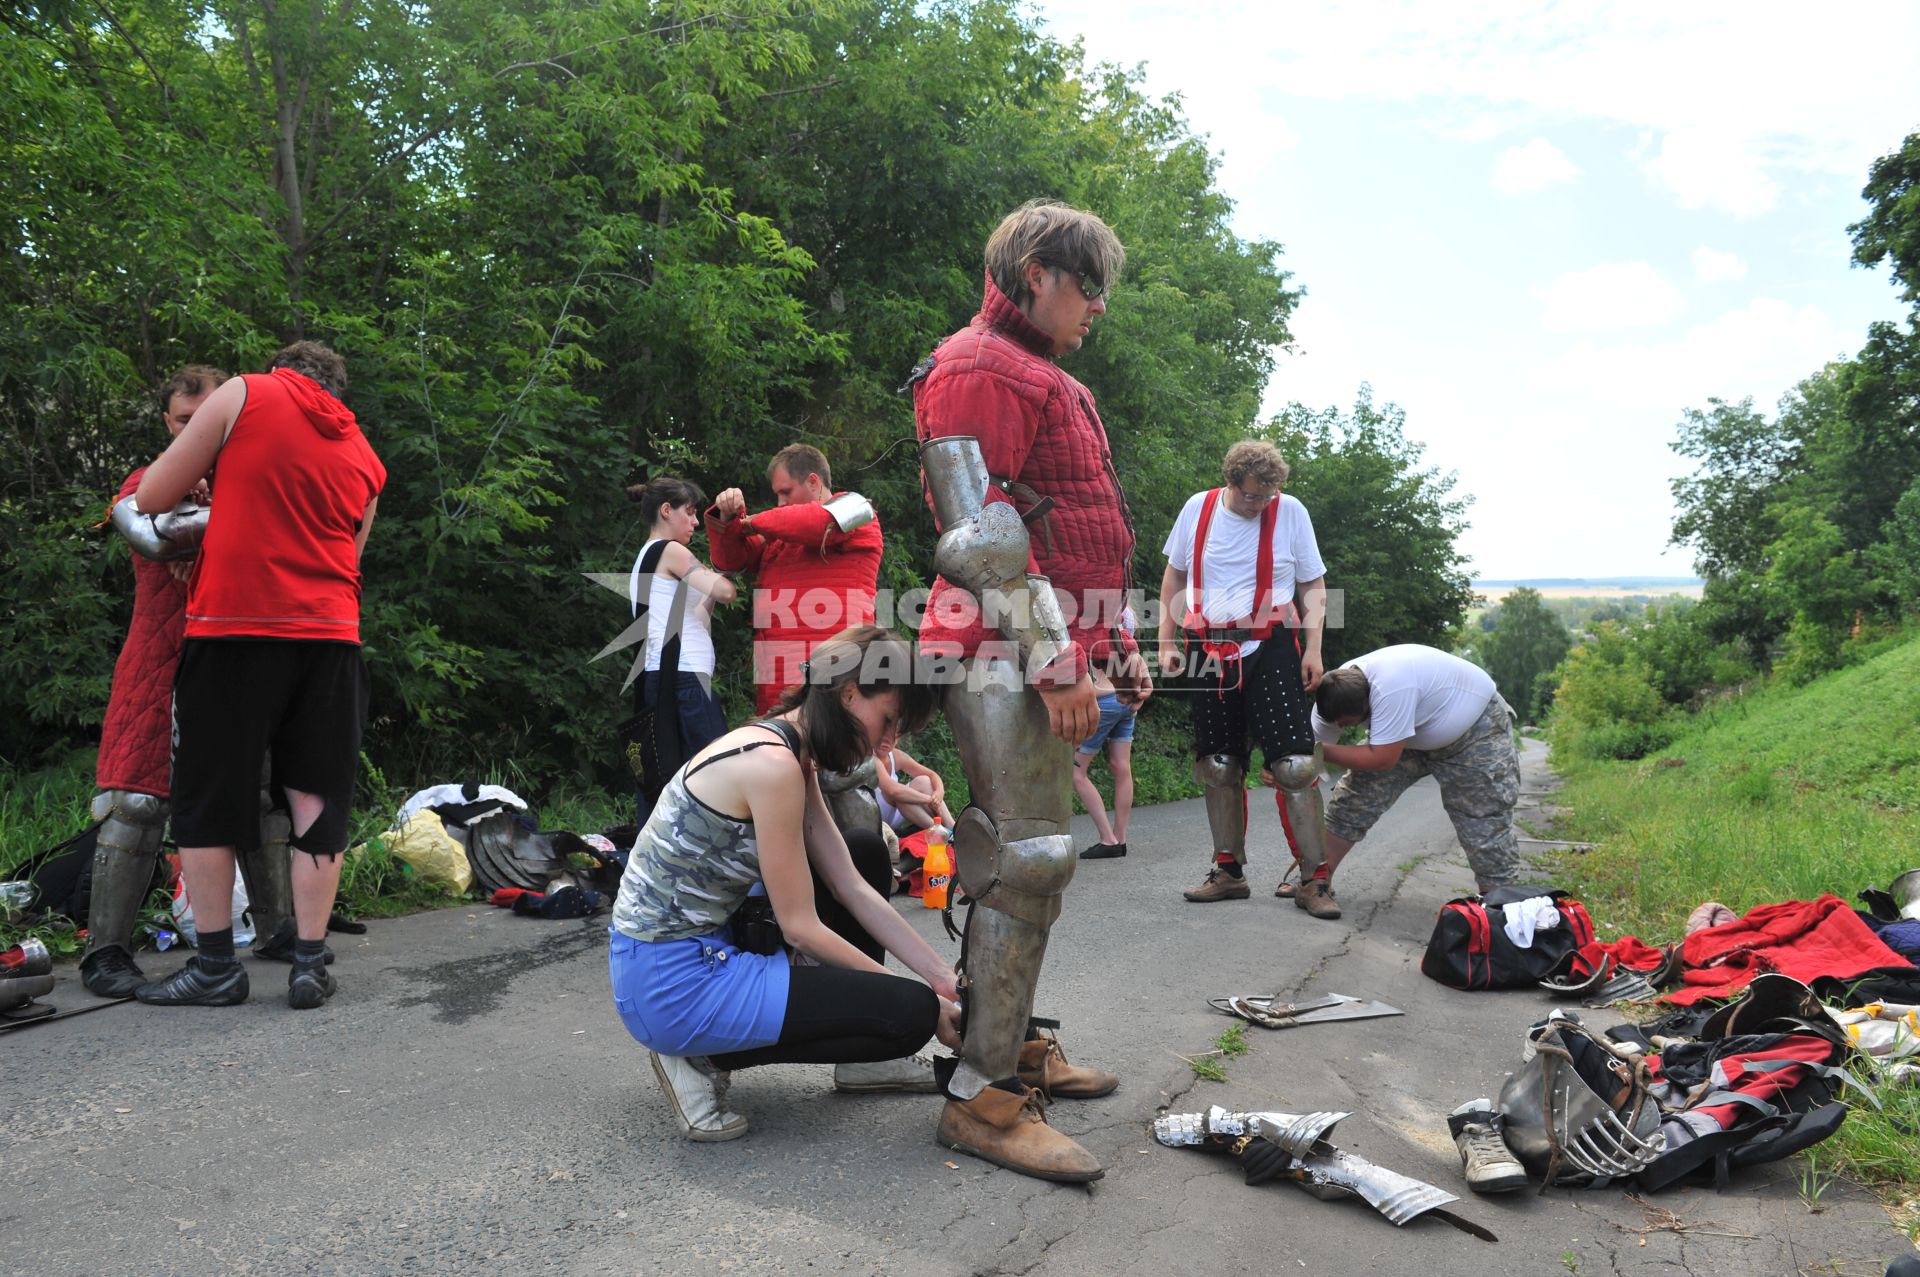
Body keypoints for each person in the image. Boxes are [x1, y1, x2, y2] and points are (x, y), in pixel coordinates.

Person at [910, 198, 1147, 1182]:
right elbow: (983, 532)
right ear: (1039, 272)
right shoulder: (980, 362)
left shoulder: (1040, 371)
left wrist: (1114, 640)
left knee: (1035, 863)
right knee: (1026, 855)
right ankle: (983, 1099)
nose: (1097, 305)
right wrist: (1057, 658)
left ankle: (1003, 1048)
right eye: (1088, 285)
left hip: (1048, 644)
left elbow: (1081, 524)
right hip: (1004, 649)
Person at [608, 626, 962, 1142]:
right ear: (847, 694)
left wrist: (941, 979)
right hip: (670, 982)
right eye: (888, 723)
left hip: (703, 950)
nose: (888, 746)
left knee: (864, 851)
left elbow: (849, 884)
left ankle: (861, 1060)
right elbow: (800, 927)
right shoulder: (771, 764)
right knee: (910, 1015)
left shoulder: (791, 748)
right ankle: (696, 1054)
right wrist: (926, 1002)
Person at [131, 341, 385, 1010]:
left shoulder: (245, 392)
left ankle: (216, 965)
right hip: (331, 636)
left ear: (283, 371)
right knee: (314, 800)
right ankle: (307, 963)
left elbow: (153, 494)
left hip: (236, 627)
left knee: (209, 794)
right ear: (334, 388)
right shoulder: (366, 454)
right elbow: (349, 555)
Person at [82, 366, 303, 998]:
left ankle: (278, 928)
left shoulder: (249, 485)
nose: (196, 431)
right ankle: (106, 953)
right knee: (140, 801)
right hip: (160, 659)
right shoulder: (146, 483)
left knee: (260, 795)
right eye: (184, 421)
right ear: (169, 424)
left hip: (236, 658)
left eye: (206, 421)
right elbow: (158, 538)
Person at [1155, 440, 1336, 918]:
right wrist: (1166, 641)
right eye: (1253, 496)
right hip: (1210, 646)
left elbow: (1312, 583)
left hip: (1272, 645)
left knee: (1295, 765)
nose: (1261, 504)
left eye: (1268, 496)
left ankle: (1315, 879)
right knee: (1218, 765)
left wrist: (1314, 648)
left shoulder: (1290, 511)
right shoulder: (1199, 507)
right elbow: (1174, 576)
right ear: (1232, 482)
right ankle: (1229, 871)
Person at [1308, 644, 1522, 902]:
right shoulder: (1333, 694)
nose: (1341, 727)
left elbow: (1382, 759)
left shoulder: (1391, 687)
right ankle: (1315, 880)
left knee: (1484, 814)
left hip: (1474, 730)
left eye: (1347, 723)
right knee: (1354, 798)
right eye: (1338, 724)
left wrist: (1322, 752)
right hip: (1408, 736)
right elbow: (1312, 758)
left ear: (1368, 703)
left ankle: (1499, 907)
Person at [705, 444, 883, 715]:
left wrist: (749, 522)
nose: (780, 503)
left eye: (785, 492)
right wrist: (727, 518)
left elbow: (813, 522)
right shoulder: (778, 535)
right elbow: (730, 561)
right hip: (777, 690)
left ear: (813, 481)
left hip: (837, 682)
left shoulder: (856, 508)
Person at [625, 476, 737, 822]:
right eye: (689, 513)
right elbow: (726, 592)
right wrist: (727, 553)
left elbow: (700, 615)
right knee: (718, 779)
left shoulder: (646, 559)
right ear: (665, 510)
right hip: (684, 683)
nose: (694, 522)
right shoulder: (671, 551)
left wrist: (715, 573)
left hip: (667, 681)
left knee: (670, 779)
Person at [1072, 668, 1137, 859]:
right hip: (1125, 695)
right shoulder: (1125, 636)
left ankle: (1108, 839)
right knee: (1121, 766)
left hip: (1101, 700)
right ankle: (1120, 839)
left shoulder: (1086, 635)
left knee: (1076, 773)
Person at [873, 744, 953, 835]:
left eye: (893, 736)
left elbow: (931, 775)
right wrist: (930, 800)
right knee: (901, 794)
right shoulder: (870, 757)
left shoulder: (895, 755)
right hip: (877, 819)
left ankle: (954, 828)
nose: (887, 740)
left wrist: (939, 792)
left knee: (923, 781)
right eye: (882, 733)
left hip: (896, 814)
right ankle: (942, 833)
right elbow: (893, 790)